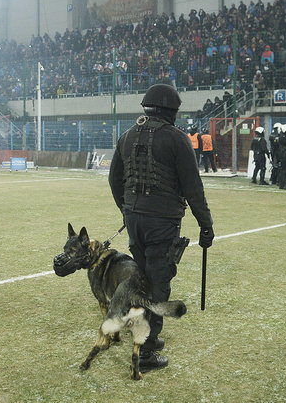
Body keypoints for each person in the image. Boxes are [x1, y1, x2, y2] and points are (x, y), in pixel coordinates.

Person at [108, 83, 214, 372]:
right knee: (158, 282)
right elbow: (193, 189)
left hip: (134, 219)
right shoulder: (177, 139)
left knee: (142, 279)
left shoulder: (127, 136)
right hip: (161, 222)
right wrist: (206, 225)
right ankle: (145, 351)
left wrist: (126, 210)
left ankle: (147, 339)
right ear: (171, 110)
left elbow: (114, 180)